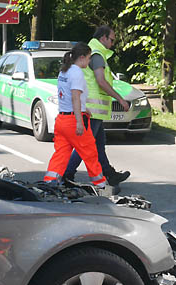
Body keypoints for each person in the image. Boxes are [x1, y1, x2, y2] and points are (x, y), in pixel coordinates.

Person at [62, 25, 130, 187]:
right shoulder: (97, 54)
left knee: (98, 146)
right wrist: (120, 99)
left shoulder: (93, 51)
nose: (113, 43)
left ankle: (109, 174)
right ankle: (67, 174)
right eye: (112, 40)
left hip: (92, 109)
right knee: (84, 145)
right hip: (92, 109)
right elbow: (101, 81)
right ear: (103, 38)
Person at [44, 43, 107, 188]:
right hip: (74, 120)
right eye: (89, 58)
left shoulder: (64, 71)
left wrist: (85, 109)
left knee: (61, 153)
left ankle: (49, 181)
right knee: (90, 153)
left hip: (62, 119)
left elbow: (68, 96)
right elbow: (75, 97)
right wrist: (79, 121)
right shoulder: (77, 72)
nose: (89, 62)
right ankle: (100, 184)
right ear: (82, 57)